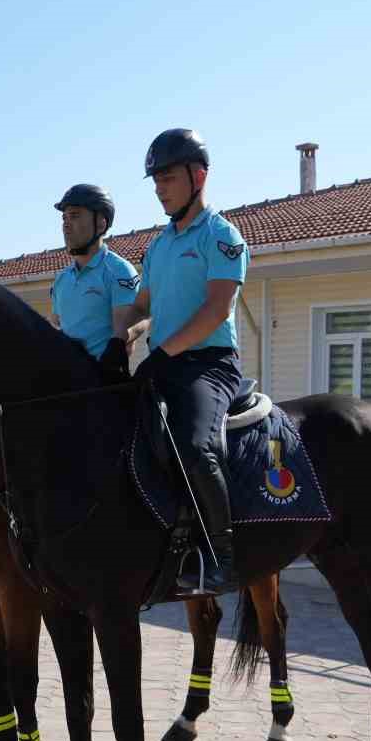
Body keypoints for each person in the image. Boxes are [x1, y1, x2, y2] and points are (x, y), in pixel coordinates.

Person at [121, 128, 248, 595]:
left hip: (208, 364)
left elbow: (216, 310)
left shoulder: (221, 236)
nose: (159, 187)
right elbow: (141, 308)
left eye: (167, 177)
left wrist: (163, 354)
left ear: (198, 176)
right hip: (164, 361)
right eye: (155, 180)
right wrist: (125, 337)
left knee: (195, 445)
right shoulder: (159, 245)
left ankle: (223, 558)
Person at [48, 184, 141, 382]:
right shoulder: (61, 280)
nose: (65, 224)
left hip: (103, 385)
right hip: (64, 384)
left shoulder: (119, 272)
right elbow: (56, 328)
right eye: (64, 218)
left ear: (101, 223)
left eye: (74, 216)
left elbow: (124, 334)